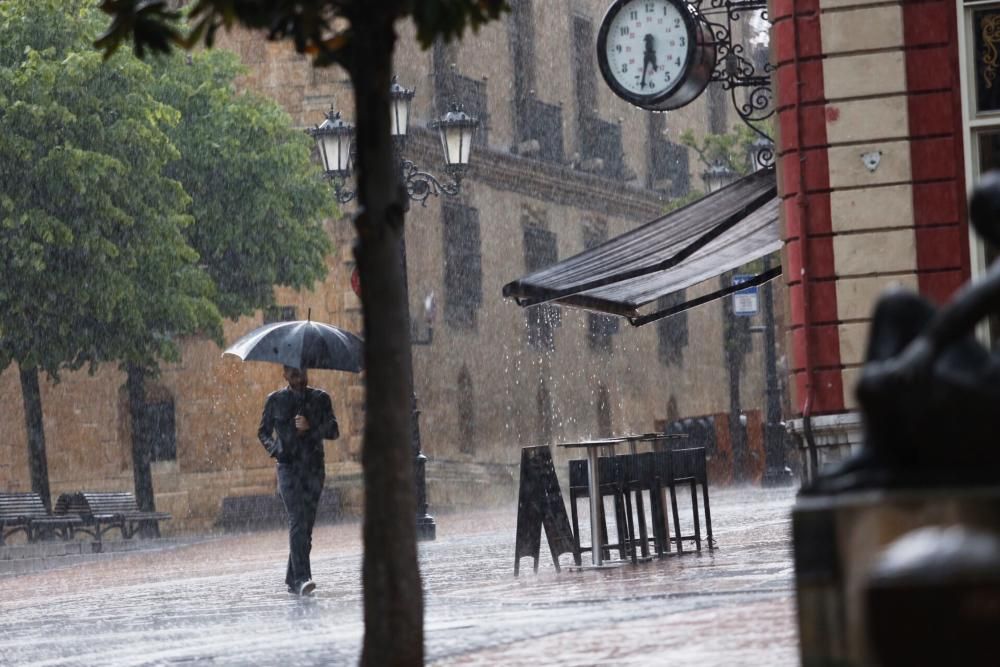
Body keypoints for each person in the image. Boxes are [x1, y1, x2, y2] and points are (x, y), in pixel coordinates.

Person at [258, 365, 339, 595]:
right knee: (297, 520)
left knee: (307, 527)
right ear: (285, 374)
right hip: (288, 468)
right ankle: (303, 578)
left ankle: (292, 578)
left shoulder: (321, 398)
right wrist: (275, 449)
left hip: (313, 468)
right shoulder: (275, 400)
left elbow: (334, 430)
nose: (299, 379)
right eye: (294, 374)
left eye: (302, 373)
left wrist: (311, 426)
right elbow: (263, 431)